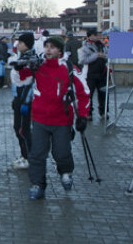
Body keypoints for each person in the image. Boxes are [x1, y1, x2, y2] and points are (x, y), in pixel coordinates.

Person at [28, 36, 90, 200]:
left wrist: (82, 116)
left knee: (61, 152)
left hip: (61, 119)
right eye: (46, 46)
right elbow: (20, 80)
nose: (48, 50)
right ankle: (37, 184)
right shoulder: (37, 66)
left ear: (60, 51)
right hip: (40, 118)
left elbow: (83, 93)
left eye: (52, 47)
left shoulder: (69, 68)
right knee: (37, 154)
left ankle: (66, 173)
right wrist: (20, 68)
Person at [8, 33, 35, 170]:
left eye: (20, 42)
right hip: (20, 95)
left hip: (26, 97)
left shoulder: (30, 58)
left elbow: (22, 79)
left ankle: (28, 157)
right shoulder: (23, 57)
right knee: (19, 128)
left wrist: (18, 68)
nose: (18, 45)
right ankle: (25, 155)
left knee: (22, 128)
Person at [78, 29, 108, 120]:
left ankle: (103, 112)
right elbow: (82, 60)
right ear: (90, 36)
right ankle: (88, 113)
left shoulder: (102, 46)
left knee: (103, 94)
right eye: (96, 35)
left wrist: (104, 56)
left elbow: (107, 56)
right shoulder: (84, 47)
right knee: (89, 95)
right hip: (90, 75)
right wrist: (96, 55)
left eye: (98, 35)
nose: (98, 37)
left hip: (102, 73)